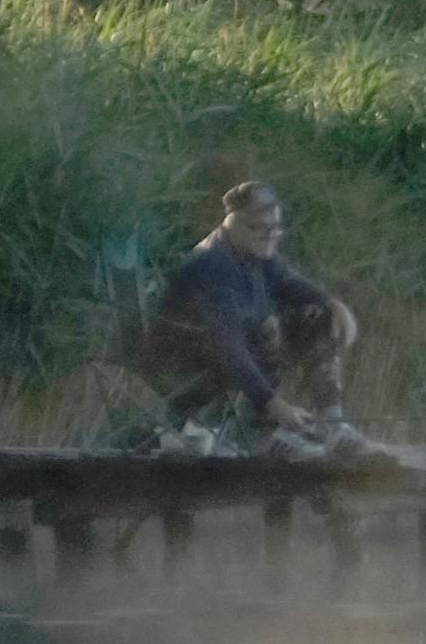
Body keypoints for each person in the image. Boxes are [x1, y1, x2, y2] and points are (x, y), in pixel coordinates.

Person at [143, 181, 362, 450]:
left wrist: (333, 303)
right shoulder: (212, 266)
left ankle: (334, 425)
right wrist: (275, 406)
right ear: (233, 222)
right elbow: (228, 348)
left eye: (276, 227)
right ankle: (263, 436)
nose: (272, 235)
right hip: (191, 365)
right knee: (258, 339)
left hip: (236, 352)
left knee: (318, 315)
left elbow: (290, 283)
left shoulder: (255, 253)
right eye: (261, 227)